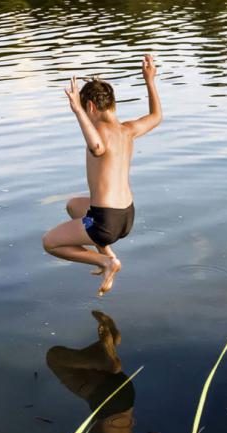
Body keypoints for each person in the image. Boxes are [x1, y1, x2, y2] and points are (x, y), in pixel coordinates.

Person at [42, 54, 163, 296]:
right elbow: (156, 117)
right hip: (126, 216)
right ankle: (107, 254)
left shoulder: (97, 131)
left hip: (105, 223)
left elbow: (97, 148)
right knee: (74, 206)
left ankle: (106, 263)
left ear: (91, 107)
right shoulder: (127, 130)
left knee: (50, 243)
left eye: (86, 111)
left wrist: (77, 112)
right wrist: (150, 80)